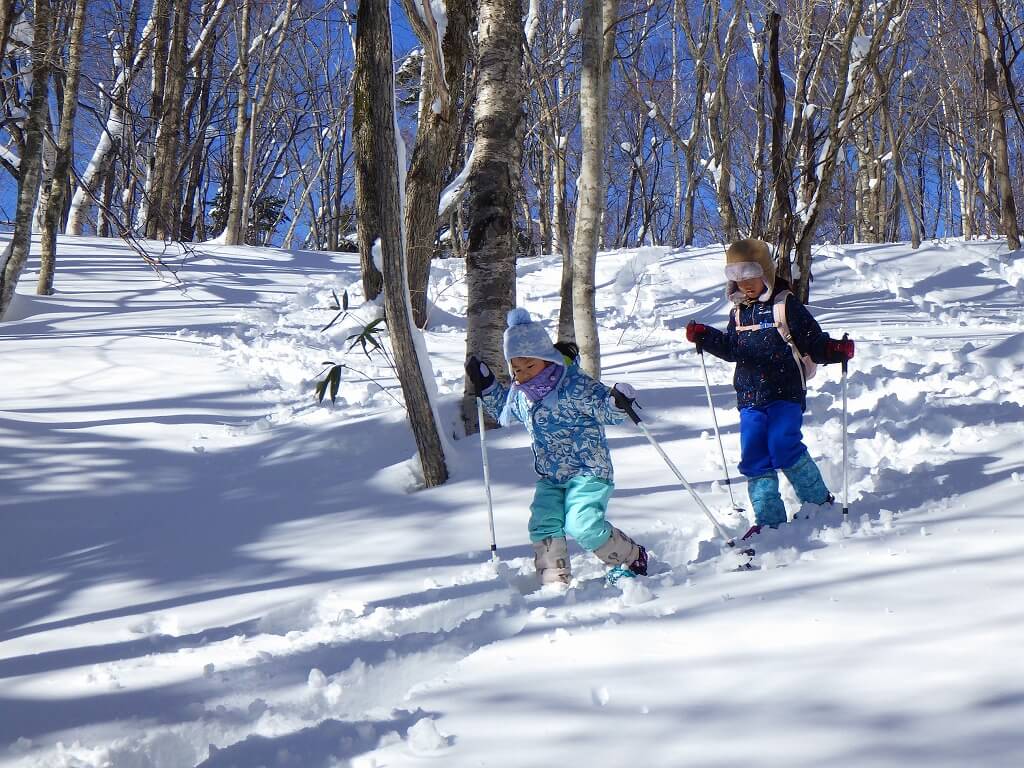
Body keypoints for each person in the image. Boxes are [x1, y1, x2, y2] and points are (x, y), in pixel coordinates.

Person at [684, 239, 854, 537]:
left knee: (782, 445)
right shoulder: (738, 312)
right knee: (754, 456)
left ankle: (818, 501)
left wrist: (835, 349)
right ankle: (769, 519)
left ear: (766, 272)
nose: (745, 284)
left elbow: (812, 341)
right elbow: (731, 348)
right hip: (750, 397)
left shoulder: (785, 304)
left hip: (785, 392)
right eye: (738, 277)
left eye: (751, 275)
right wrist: (705, 336)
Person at [465, 308, 648, 585]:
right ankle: (554, 580)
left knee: (582, 525)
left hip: (588, 471)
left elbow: (604, 409)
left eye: (530, 366)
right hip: (551, 476)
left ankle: (631, 558)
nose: (523, 374)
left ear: (546, 358)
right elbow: (504, 408)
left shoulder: (573, 385)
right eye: (516, 368)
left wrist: (617, 402)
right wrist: (488, 385)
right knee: (543, 522)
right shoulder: (521, 394)